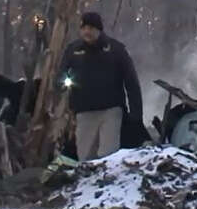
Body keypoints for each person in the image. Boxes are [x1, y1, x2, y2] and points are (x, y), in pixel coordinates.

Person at [59, 12, 142, 161]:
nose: (87, 32)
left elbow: (131, 82)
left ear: (99, 29)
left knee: (108, 156)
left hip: (111, 110)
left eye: (91, 28)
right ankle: (87, 183)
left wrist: (136, 113)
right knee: (85, 157)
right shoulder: (73, 50)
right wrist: (62, 85)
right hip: (84, 111)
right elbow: (61, 74)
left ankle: (108, 182)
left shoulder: (116, 50)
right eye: (83, 28)